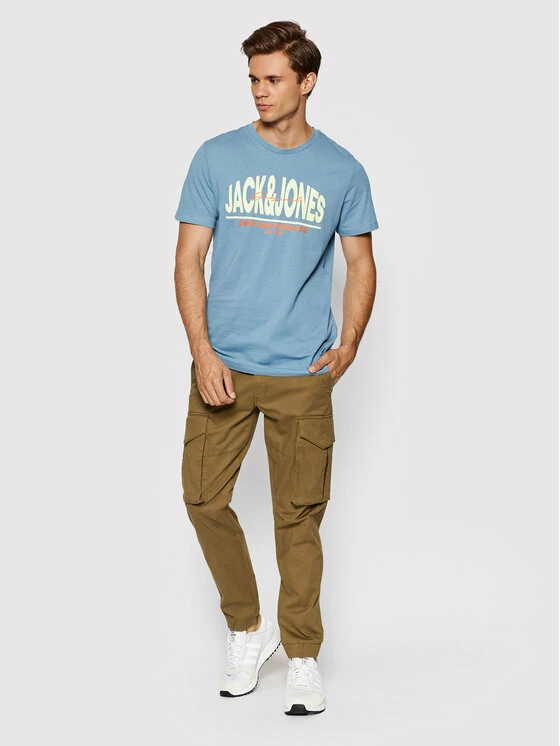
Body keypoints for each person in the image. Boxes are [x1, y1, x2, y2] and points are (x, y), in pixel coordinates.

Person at [173, 20, 379, 716]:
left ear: (307, 82)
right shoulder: (216, 157)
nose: (260, 91)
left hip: (301, 373)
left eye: (274, 79)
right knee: (203, 499)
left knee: (298, 517)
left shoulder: (342, 170)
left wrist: (349, 345)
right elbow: (188, 258)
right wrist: (203, 352)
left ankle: (302, 655)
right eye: (253, 80)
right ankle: (246, 628)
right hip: (225, 366)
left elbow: (360, 263)